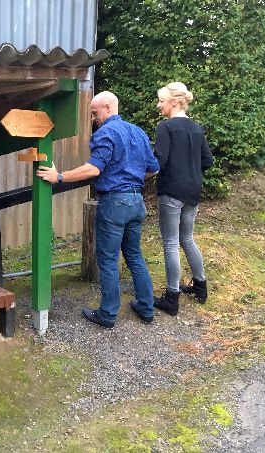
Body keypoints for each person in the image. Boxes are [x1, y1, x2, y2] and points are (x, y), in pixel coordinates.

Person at [36, 91, 159, 329]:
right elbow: (153, 169)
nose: (93, 118)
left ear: (108, 108)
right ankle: (146, 309)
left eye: (95, 113)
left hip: (114, 204)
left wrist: (59, 176)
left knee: (108, 259)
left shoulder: (106, 133)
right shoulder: (138, 132)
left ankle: (107, 314)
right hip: (136, 201)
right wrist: (131, 179)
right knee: (134, 256)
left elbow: (93, 169)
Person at [152, 82, 214, 316]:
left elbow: (159, 162)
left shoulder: (165, 127)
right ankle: (200, 287)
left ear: (175, 102)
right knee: (187, 239)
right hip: (193, 191)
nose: (159, 105)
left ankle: (172, 297)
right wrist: (190, 172)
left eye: (162, 101)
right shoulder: (197, 128)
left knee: (170, 243)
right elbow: (207, 161)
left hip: (172, 191)